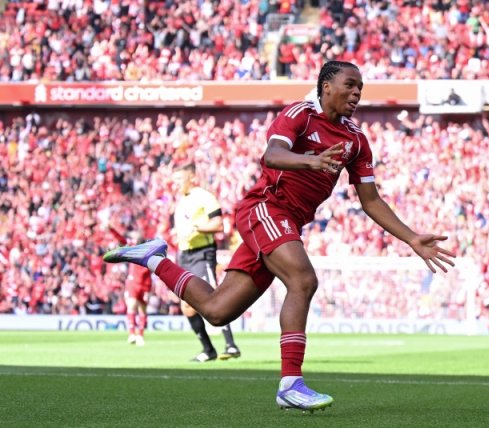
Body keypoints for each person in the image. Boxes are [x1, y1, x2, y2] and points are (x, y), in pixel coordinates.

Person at [103, 60, 456, 412]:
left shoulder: (356, 140)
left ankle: (153, 258)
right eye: (349, 85)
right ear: (326, 86)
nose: (356, 93)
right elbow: (271, 155)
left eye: (360, 88)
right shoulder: (300, 114)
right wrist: (311, 161)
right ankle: (290, 383)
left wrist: (411, 238)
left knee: (217, 310)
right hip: (265, 208)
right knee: (303, 279)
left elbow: (371, 200)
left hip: (286, 222)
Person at [171, 163, 241, 362]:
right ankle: (208, 349)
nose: (176, 184)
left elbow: (218, 225)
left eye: (179, 180)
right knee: (186, 306)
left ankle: (231, 345)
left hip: (202, 253)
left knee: (211, 297)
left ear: (192, 178)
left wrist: (195, 227)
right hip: (184, 255)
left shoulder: (205, 197)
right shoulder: (182, 201)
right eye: (175, 180)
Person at [108, 227, 151, 346]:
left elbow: (149, 273)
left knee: (142, 310)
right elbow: (121, 239)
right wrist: (111, 229)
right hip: (132, 283)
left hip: (144, 285)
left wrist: (148, 290)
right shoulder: (132, 249)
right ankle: (132, 334)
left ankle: (140, 335)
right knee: (131, 306)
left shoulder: (148, 254)